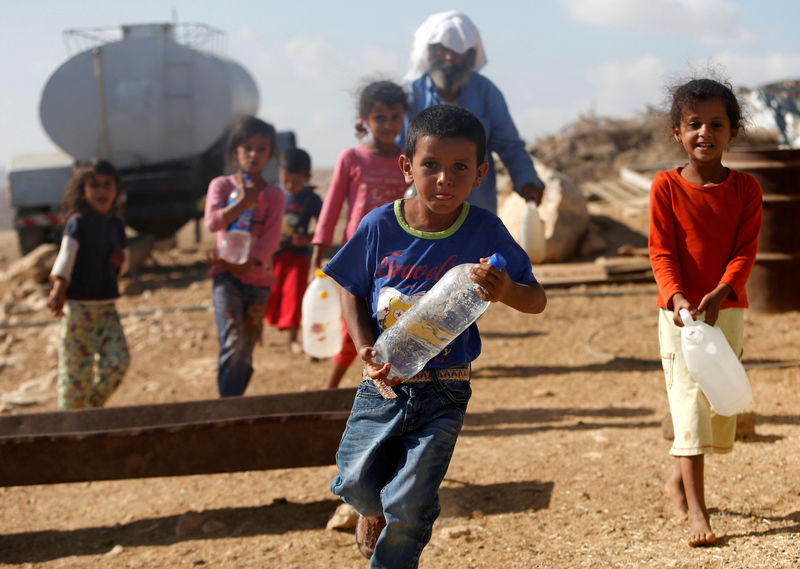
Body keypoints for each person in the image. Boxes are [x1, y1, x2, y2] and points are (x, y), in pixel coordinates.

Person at [324, 104, 547, 566]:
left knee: (409, 504)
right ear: (407, 166)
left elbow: (536, 299)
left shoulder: (484, 230)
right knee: (355, 482)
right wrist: (363, 345)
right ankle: (371, 510)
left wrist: (505, 290)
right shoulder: (379, 226)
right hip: (382, 382)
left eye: (460, 168)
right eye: (431, 165)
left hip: (445, 387)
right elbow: (349, 287)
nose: (444, 179)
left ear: (480, 174)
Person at [648, 78, 762, 547]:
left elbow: (744, 252)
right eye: (694, 124)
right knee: (688, 405)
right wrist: (677, 299)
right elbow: (661, 252)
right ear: (678, 131)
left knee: (716, 405)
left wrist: (720, 292)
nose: (704, 133)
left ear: (732, 130)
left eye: (716, 124)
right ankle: (699, 509)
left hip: (726, 311)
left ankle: (679, 478)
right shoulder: (665, 187)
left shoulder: (746, 190)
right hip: (678, 317)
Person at [310, 80, 409, 388]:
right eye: (380, 118)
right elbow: (332, 206)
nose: (389, 125)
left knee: (391, 323)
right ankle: (331, 389)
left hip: (397, 259)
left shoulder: (408, 159)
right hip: (358, 258)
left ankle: (384, 390)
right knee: (352, 328)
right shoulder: (351, 158)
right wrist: (319, 250)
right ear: (365, 120)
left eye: (395, 117)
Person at [400, 10, 545, 214]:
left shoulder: (486, 93)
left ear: (469, 55)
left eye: (457, 52)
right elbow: (393, 150)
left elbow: (509, 144)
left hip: (476, 210)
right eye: (443, 50)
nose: (449, 58)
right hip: (421, 212)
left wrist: (527, 181)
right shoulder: (410, 96)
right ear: (432, 51)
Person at [204, 116, 285, 397]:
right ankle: (227, 406)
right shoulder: (222, 186)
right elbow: (213, 224)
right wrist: (242, 202)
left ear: (270, 154)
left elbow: (270, 240)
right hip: (225, 278)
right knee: (233, 340)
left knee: (247, 346)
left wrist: (243, 264)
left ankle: (233, 402)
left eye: (261, 149)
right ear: (236, 150)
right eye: (247, 147)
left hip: (258, 281)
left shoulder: (274, 194)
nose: (253, 154)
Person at [47, 158, 130, 409]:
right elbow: (67, 254)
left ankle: (91, 409)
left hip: (106, 309)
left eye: (108, 184)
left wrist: (119, 263)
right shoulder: (78, 223)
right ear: (83, 191)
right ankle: (70, 426)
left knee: (118, 362)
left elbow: (124, 263)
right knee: (75, 374)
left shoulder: (116, 226)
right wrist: (59, 287)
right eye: (95, 185)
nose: (102, 191)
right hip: (79, 311)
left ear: (116, 190)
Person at [264, 147, 322, 354]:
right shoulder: (273, 193)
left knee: (294, 296)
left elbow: (323, 227)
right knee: (268, 294)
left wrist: (306, 238)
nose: (290, 186)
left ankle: (292, 339)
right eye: (285, 180)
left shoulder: (312, 200)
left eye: (296, 182)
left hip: (298, 256)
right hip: (273, 255)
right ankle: (257, 336)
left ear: (307, 177)